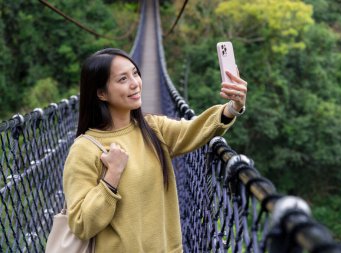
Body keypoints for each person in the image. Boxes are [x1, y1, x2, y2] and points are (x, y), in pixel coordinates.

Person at [63, 48, 248, 252]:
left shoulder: (153, 129)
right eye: (123, 79)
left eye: (135, 73)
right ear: (101, 93)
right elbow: (81, 224)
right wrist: (111, 177)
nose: (135, 83)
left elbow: (194, 130)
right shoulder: (84, 149)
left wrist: (232, 107)